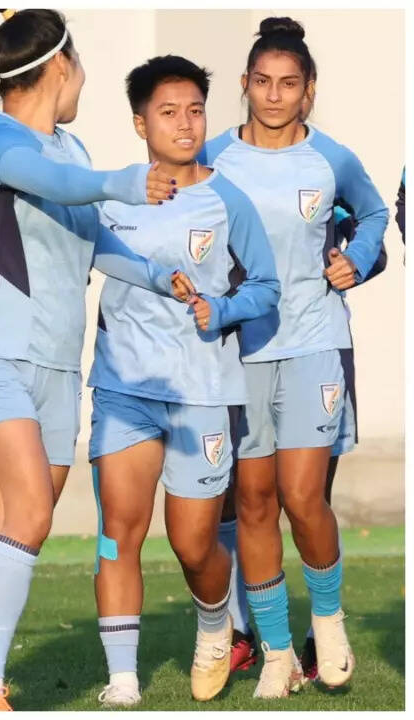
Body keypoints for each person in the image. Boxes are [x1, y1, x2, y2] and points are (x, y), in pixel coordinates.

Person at [0, 9, 193, 710]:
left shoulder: (75, 154)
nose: (83, 79)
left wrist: (158, 275)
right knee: (26, 518)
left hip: (55, 369)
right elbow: (49, 182)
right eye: (80, 66)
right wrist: (122, 182)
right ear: (60, 65)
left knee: (8, 530)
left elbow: (92, 240)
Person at [200, 16, 388, 698]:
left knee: (305, 497)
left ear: (308, 92)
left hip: (315, 345)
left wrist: (356, 260)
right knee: (251, 502)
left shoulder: (331, 158)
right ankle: (277, 654)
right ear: (246, 86)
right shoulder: (215, 156)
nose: (274, 96)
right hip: (241, 352)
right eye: (262, 83)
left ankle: (328, 625)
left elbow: (372, 217)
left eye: (289, 85)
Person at [88, 55, 279, 707]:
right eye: (169, 112)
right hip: (123, 389)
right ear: (140, 121)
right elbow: (78, 255)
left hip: (201, 394)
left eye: (195, 109)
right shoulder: (113, 195)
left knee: (194, 541)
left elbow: (266, 287)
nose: (186, 123)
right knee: (119, 528)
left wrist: (219, 309)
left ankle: (213, 624)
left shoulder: (228, 200)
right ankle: (121, 679)